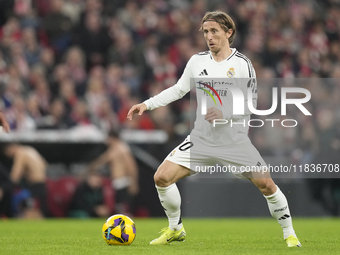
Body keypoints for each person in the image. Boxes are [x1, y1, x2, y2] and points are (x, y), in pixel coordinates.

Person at [127, 11, 301, 247]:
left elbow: (251, 103)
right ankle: (175, 229)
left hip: (234, 142)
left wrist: (224, 113)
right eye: (206, 32)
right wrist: (147, 104)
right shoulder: (197, 61)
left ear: (229, 33)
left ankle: (289, 233)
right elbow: (179, 89)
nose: (209, 36)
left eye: (214, 31)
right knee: (162, 177)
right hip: (201, 139)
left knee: (267, 185)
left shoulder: (242, 64)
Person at [88, 130, 139, 215]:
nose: (106, 141)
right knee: (118, 208)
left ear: (112, 138)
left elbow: (132, 167)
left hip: (123, 182)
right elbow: (101, 160)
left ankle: (127, 226)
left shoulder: (122, 149)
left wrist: (134, 182)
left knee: (124, 209)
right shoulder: (113, 150)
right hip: (117, 183)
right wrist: (90, 168)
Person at [2, 143, 49, 217]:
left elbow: (15, 174)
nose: (9, 156)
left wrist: (5, 187)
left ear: (12, 147)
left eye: (8, 152)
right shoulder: (30, 150)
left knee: (32, 212)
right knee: (41, 210)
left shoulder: (20, 153)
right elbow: (45, 164)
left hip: (35, 186)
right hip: (43, 184)